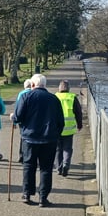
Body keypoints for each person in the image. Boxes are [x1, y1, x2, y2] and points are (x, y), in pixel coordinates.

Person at [12, 74, 64, 207]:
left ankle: (27, 194)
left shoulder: (26, 97)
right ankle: (43, 197)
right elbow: (60, 121)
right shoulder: (54, 99)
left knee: (29, 166)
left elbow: (18, 116)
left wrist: (14, 118)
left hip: (29, 138)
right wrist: (55, 134)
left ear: (33, 85)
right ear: (44, 85)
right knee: (46, 168)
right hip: (49, 139)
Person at [54, 80, 83, 177]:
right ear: (68, 88)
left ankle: (58, 168)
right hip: (69, 128)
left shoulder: (55, 97)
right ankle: (66, 164)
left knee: (58, 149)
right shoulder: (72, 97)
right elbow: (78, 113)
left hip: (56, 128)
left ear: (59, 88)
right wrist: (79, 125)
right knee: (67, 148)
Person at [15, 78, 33, 164]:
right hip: (31, 119)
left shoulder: (21, 94)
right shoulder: (33, 93)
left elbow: (17, 107)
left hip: (22, 119)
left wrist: (15, 121)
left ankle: (21, 155)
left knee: (23, 137)